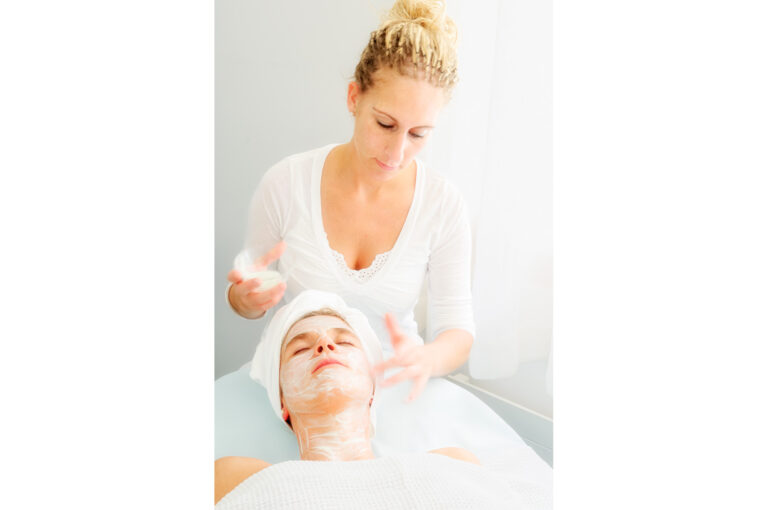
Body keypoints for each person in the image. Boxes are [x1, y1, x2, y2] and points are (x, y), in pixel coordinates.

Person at [226, 0, 474, 402]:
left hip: (392, 390)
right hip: (299, 393)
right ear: (354, 97)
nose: (396, 153)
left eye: (419, 134)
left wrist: (425, 359)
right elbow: (244, 298)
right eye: (385, 124)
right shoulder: (286, 183)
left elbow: (457, 331)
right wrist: (246, 298)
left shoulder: (443, 205)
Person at [214, 291, 534, 509]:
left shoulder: (450, 463)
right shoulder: (238, 477)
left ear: (372, 388)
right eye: (300, 349)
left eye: (344, 342)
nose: (326, 344)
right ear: (281, 401)